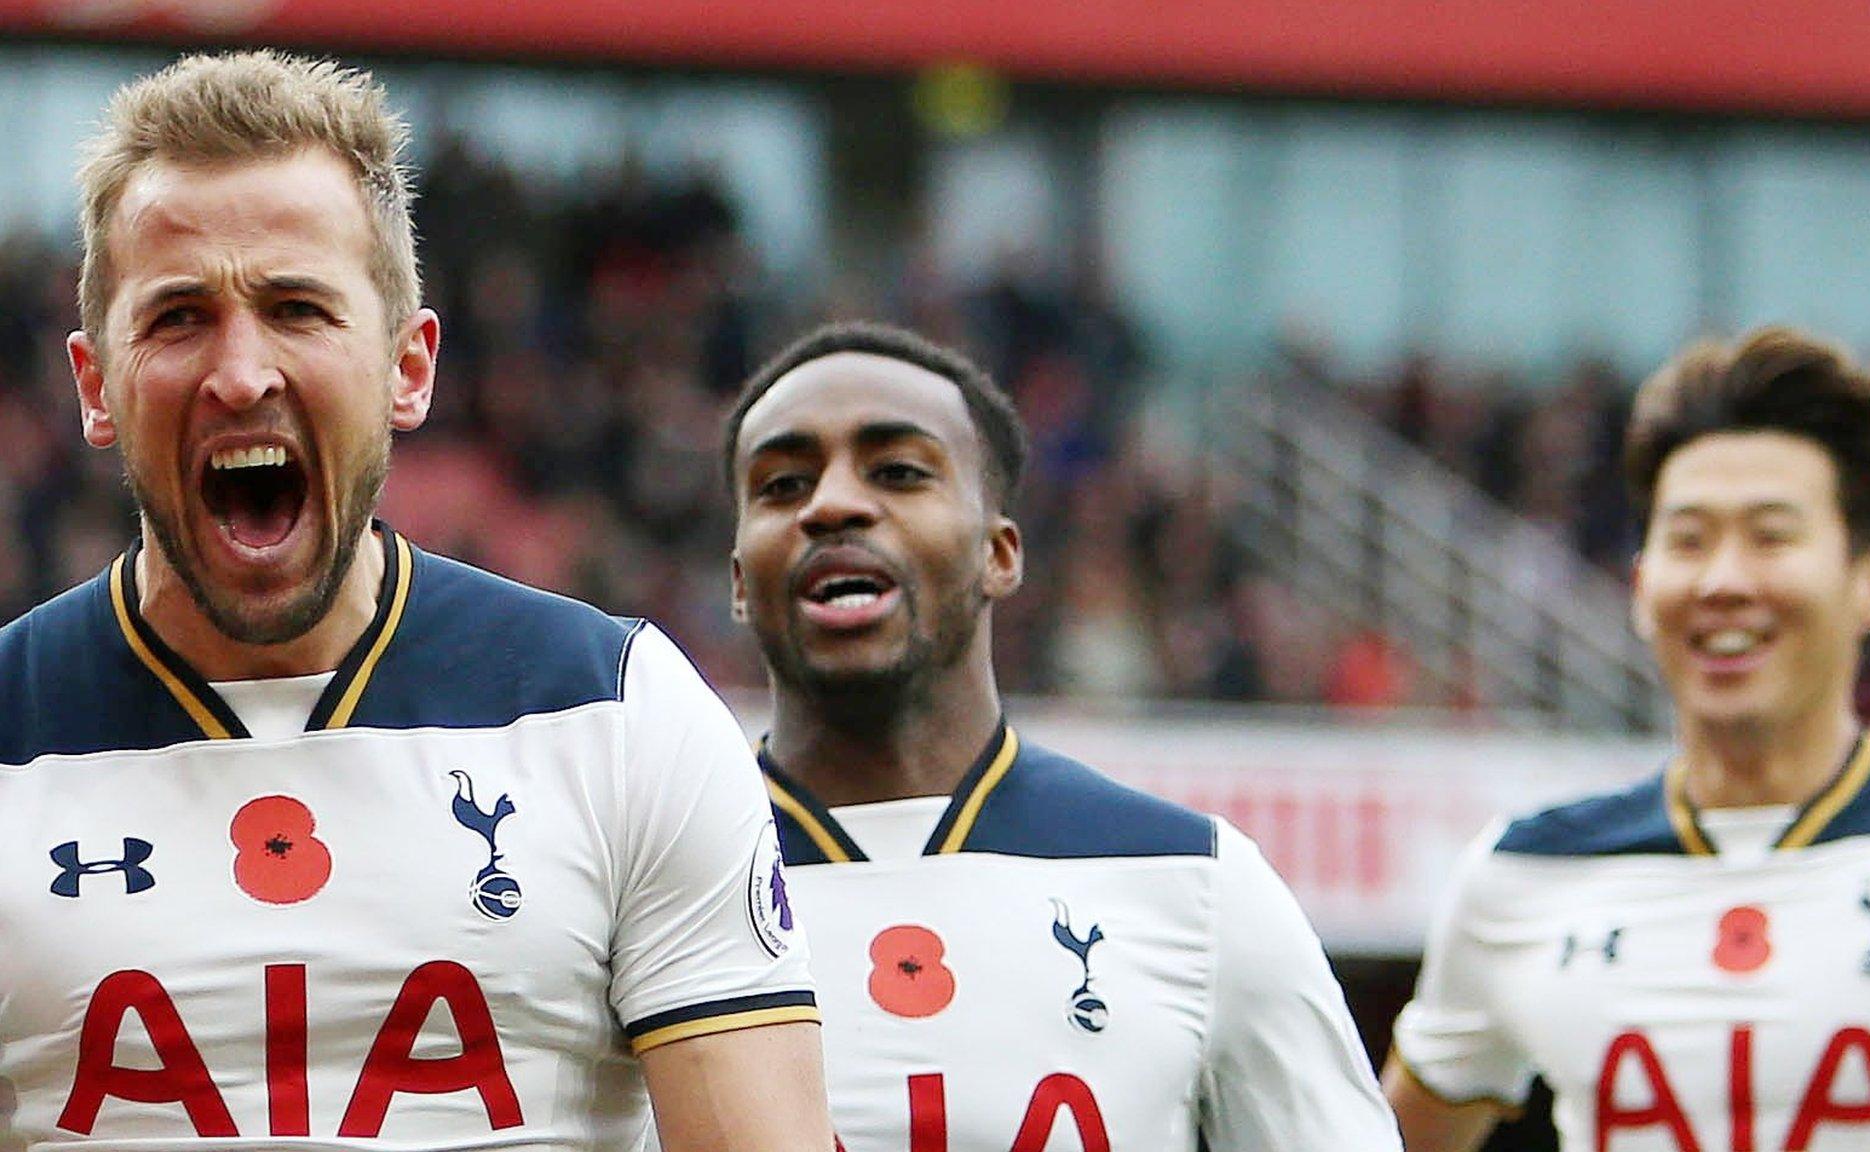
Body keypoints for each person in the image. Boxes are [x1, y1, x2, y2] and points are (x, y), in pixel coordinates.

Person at [0, 51, 832, 1151]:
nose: (241, 373)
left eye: (297, 308)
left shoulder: (617, 716)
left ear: (409, 366)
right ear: (95, 385)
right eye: (178, 318)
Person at [722, 320, 1402, 1150]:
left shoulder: (1197, 884)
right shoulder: (653, 889)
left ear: (999, 553)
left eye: (898, 472)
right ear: (738, 581)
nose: (831, 504)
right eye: (783, 485)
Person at [1384, 326, 1870, 1152]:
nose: (1723, 581)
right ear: (1640, 586)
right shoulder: (1522, 873)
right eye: (1689, 540)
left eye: (1772, 535)